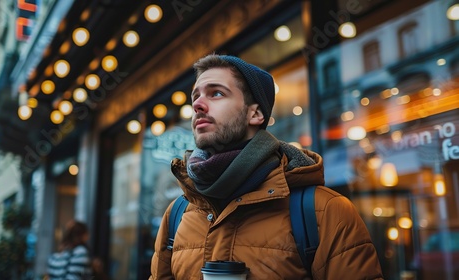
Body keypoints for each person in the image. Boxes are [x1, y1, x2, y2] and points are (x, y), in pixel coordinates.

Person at [149, 54, 384, 279]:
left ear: (256, 113)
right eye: (195, 97)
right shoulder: (178, 214)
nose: (198, 105)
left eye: (216, 93)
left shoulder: (325, 212)